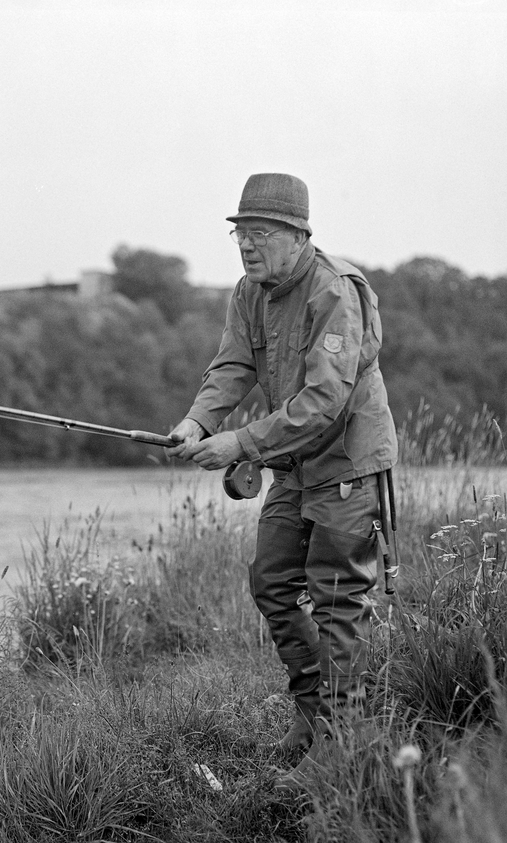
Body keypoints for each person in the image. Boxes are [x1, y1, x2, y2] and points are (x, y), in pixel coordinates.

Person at [165, 173, 397, 790]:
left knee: (338, 601)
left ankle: (343, 742)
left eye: (260, 233)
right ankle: (312, 713)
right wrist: (197, 420)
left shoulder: (334, 290)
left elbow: (325, 398)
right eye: (240, 232)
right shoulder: (249, 291)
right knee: (271, 580)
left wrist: (240, 443)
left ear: (298, 236)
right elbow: (233, 365)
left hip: (347, 463)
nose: (246, 244)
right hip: (294, 464)